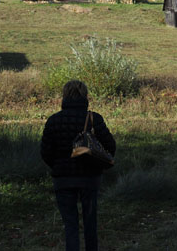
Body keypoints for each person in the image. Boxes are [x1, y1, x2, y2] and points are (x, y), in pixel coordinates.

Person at [41, 80, 116, 251]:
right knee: (91, 224)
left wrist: (58, 167)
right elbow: (110, 147)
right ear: (85, 96)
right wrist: (98, 165)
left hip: (63, 180)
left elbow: (45, 152)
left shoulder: (53, 121)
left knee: (71, 226)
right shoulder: (94, 119)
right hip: (90, 178)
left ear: (64, 96)